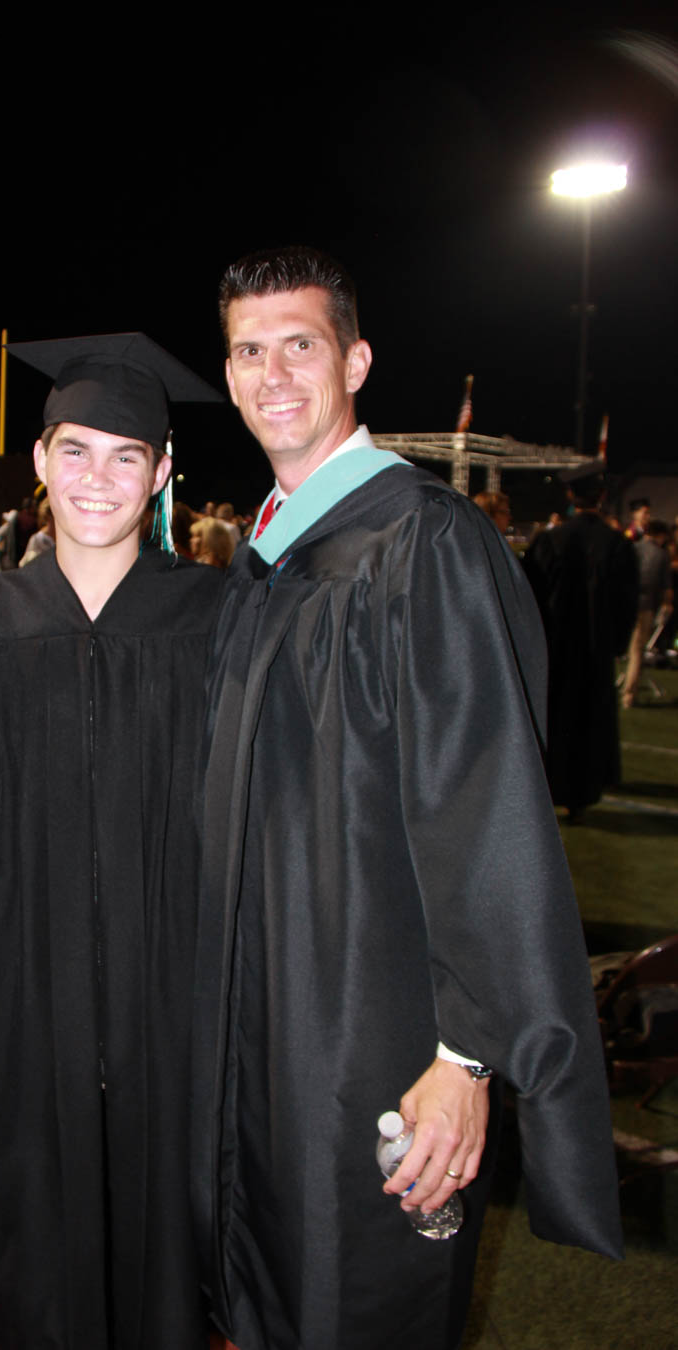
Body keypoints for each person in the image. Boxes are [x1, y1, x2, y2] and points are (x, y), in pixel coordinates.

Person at [191, 246, 623, 1350]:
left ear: (357, 360)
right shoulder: (269, 557)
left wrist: (465, 1057)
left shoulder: (422, 544)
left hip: (371, 1042)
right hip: (265, 1025)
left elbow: (487, 816)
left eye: (302, 344)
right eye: (250, 350)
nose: (273, 372)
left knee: (358, 1304)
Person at [0, 333, 223, 1350]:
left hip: (165, 981)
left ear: (164, 473)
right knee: (26, 1225)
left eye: (129, 456)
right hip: (14, 977)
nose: (98, 478)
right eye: (76, 450)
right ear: (39, 460)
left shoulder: (213, 617)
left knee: (157, 1223)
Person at [523, 467, 638, 819]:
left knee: (554, 718)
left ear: (571, 497)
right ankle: (581, 796)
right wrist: (615, 644)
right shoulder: (617, 545)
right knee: (591, 721)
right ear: (601, 498)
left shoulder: (550, 541)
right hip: (595, 649)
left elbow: (531, 596)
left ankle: (547, 789)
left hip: (555, 648)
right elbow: (626, 602)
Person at [620, 518, 673, 707]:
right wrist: (667, 604)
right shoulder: (661, 554)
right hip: (646, 607)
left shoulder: (633, 548)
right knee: (637, 652)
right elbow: (666, 586)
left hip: (627, 603)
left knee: (630, 649)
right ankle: (629, 694)